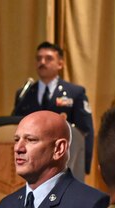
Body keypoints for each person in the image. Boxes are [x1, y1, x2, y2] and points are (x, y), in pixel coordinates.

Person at [12, 42, 94, 175]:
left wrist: (84, 164)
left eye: (48, 58)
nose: (42, 62)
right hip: (31, 163)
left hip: (65, 162)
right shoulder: (25, 93)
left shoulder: (75, 93)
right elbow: (14, 127)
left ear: (60, 64)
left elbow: (85, 131)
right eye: (39, 59)